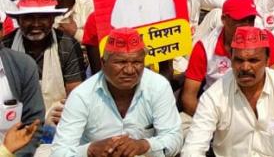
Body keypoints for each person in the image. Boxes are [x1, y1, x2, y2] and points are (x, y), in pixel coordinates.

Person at [182, 26, 274, 157]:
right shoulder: (214, 96)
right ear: (231, 59)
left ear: (267, 60)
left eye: (253, 60)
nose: (245, 67)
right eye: (239, 60)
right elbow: (193, 146)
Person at [52, 28, 183, 157]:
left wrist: (144, 145)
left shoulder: (158, 86)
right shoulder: (82, 95)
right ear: (103, 63)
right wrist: (90, 150)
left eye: (137, 62)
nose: (129, 70)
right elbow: (59, 152)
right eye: (121, 62)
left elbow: (174, 138)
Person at [181, 0, 274, 116]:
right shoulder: (204, 47)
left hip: (259, 108)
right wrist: (210, 124)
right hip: (218, 110)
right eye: (241, 20)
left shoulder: (266, 39)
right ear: (224, 19)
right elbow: (188, 98)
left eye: (251, 19)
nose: (248, 26)